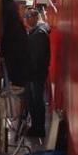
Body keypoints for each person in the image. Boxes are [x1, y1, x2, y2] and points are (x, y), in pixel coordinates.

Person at [23, 8, 51, 138]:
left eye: (28, 16)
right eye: (25, 16)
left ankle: (38, 128)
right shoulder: (35, 31)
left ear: (35, 17)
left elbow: (37, 57)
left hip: (35, 74)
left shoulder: (39, 33)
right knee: (32, 101)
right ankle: (35, 126)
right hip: (33, 74)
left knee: (36, 101)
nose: (26, 19)